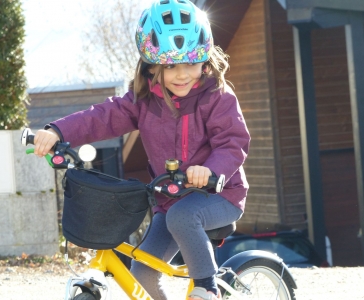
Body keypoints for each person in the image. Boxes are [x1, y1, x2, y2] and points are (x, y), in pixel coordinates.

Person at [33, 1, 250, 299]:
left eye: (190, 63)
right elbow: (102, 117)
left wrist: (211, 170)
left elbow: (232, 142)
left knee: (182, 218)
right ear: (151, 66)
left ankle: (207, 288)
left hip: (218, 195)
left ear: (205, 59)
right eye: (170, 66)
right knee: (142, 273)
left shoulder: (217, 98)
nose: (182, 74)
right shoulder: (143, 101)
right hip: (170, 199)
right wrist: (57, 130)